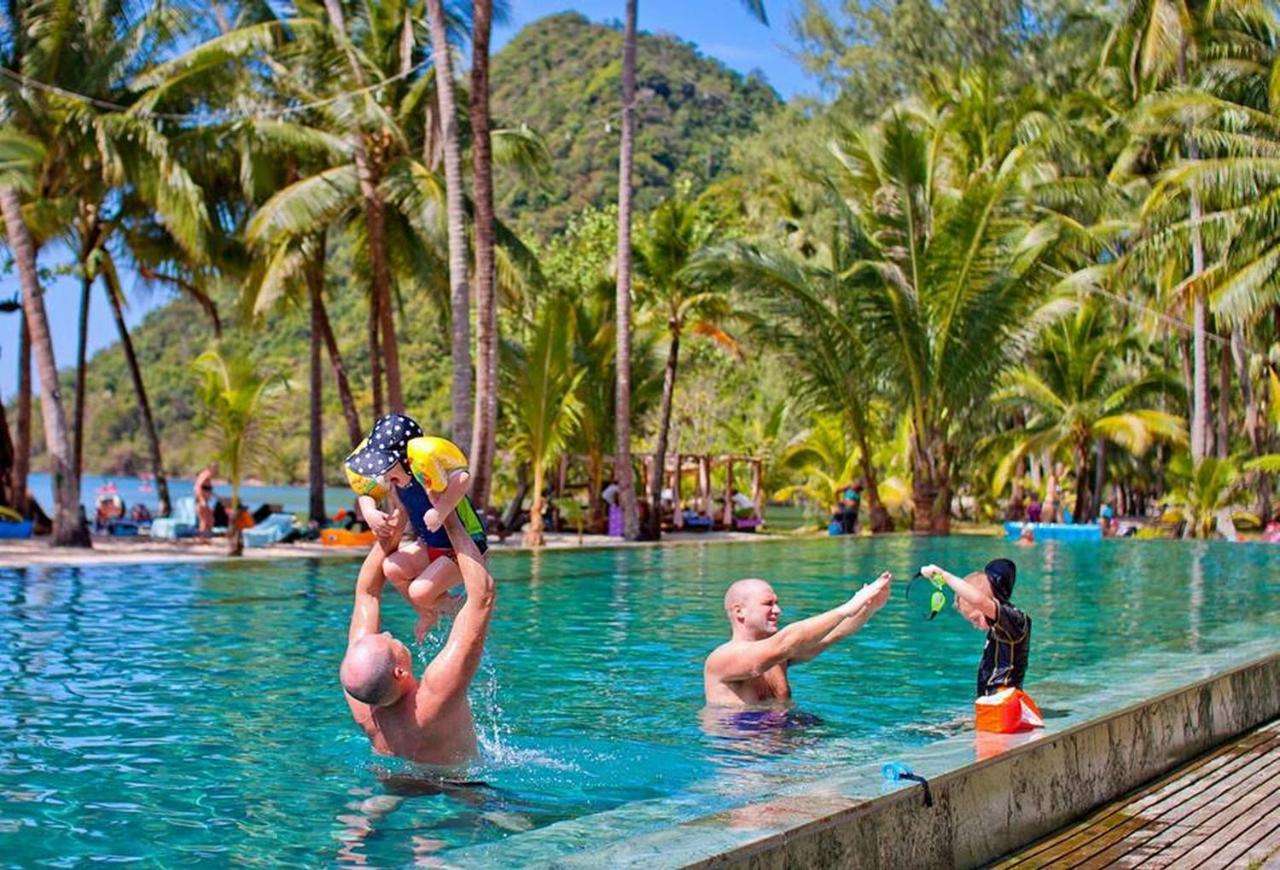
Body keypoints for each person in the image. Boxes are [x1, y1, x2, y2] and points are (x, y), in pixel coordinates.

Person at [340, 509, 496, 766]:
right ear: (399, 672)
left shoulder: (359, 692)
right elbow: (483, 596)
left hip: (396, 780)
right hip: (460, 786)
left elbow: (367, 592)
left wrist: (399, 516)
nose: (389, 633)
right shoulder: (435, 695)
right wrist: (451, 517)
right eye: (389, 640)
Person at [346, 414, 488, 640]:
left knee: (419, 592)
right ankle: (429, 613)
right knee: (392, 568)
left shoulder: (428, 471)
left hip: (464, 548)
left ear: (405, 460)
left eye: (386, 466)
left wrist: (441, 510)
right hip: (430, 544)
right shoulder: (393, 477)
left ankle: (460, 610)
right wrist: (370, 512)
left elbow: (462, 477)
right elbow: (366, 492)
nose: (381, 474)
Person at [703, 572, 892, 707]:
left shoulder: (781, 656)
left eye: (776, 603)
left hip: (785, 741)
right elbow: (787, 641)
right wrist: (847, 607)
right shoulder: (721, 658)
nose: (777, 610)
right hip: (742, 754)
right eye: (768, 604)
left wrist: (868, 608)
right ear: (739, 611)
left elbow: (833, 635)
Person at [918, 560, 1031, 700]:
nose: (975, 625)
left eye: (975, 619)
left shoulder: (1015, 621)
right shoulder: (998, 627)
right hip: (993, 702)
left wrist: (944, 575)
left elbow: (979, 600)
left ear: (990, 603)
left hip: (1004, 703)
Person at [194, 462, 219, 540]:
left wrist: (218, 497)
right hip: (201, 502)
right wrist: (202, 500)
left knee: (211, 519)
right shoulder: (205, 475)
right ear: (211, 468)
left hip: (205, 502)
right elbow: (197, 487)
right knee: (204, 520)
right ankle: (202, 538)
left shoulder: (208, 477)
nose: (216, 471)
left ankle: (207, 537)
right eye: (215, 469)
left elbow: (208, 490)